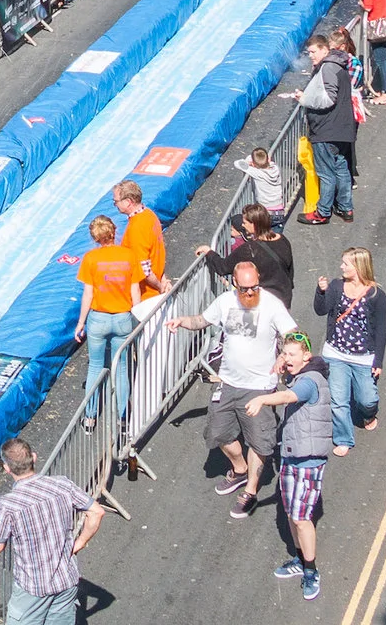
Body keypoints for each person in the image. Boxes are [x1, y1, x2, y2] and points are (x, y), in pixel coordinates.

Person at [172, 261, 297, 518]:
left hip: (260, 386)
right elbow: (202, 320)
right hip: (228, 381)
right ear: (234, 284)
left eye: (254, 287)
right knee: (217, 433)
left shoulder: (272, 305)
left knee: (260, 443)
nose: (250, 293)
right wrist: (182, 321)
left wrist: (283, 357)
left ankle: (250, 491)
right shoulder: (225, 301)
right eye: (245, 289)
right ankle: (240, 470)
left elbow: (293, 334)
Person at [0, 437, 107, 625]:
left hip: (33, 587)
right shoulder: (61, 485)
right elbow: (97, 511)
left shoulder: (8, 504)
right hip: (65, 580)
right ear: (33, 457)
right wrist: (80, 543)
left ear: (7, 469)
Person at [246, 334, 333, 599]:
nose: (287, 359)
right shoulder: (298, 376)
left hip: (308, 460)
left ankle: (311, 571)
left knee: (301, 518)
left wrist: (261, 400)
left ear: (307, 356)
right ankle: (299, 559)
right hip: (292, 455)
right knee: (290, 512)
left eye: (293, 354)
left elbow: (289, 397)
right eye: (284, 354)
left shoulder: (310, 380)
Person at [313, 249, 386, 454]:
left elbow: (382, 330)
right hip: (336, 354)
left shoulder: (376, 295)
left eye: (346, 264)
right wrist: (321, 292)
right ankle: (343, 439)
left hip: (364, 357)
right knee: (338, 401)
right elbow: (321, 310)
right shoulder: (337, 286)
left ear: (359, 267)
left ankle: (369, 414)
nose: (341, 267)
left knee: (367, 399)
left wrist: (378, 361)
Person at [74, 215, 140, 432]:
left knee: (95, 366)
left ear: (95, 238)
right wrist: (139, 316)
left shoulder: (91, 259)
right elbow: (134, 290)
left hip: (98, 319)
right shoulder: (128, 256)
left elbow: (88, 294)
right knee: (120, 369)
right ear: (114, 232)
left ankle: (90, 418)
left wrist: (81, 322)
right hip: (122, 317)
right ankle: (123, 418)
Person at [296, 34, 360, 225]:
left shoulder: (328, 67)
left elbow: (328, 98)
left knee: (326, 173)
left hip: (326, 130)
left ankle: (322, 212)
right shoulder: (339, 65)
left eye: (313, 52)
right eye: (309, 53)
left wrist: (304, 99)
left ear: (324, 49)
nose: (311, 56)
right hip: (343, 129)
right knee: (341, 170)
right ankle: (346, 207)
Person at [201, 205, 298, 305]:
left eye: (244, 223)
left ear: (254, 225)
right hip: (284, 298)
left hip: (264, 303)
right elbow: (290, 272)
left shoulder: (249, 249)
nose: (242, 225)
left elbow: (222, 267)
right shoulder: (283, 239)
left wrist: (209, 252)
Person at [111, 180, 167, 311]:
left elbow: (144, 269)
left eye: (116, 201)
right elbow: (157, 250)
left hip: (146, 297)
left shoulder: (136, 227)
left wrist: (160, 287)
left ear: (128, 201)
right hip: (154, 291)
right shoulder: (149, 215)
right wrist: (163, 279)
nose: (115, 205)